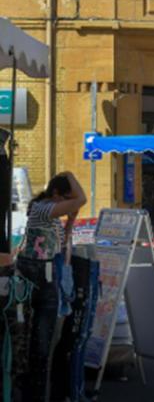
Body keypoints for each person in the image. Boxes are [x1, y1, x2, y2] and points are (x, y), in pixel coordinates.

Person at [16, 172, 86, 402]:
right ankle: (28, 392)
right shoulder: (42, 208)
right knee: (30, 341)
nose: (67, 202)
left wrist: (72, 222)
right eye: (64, 197)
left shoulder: (53, 216)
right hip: (32, 275)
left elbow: (62, 248)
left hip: (48, 275)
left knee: (43, 343)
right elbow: (82, 199)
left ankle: (37, 393)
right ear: (55, 194)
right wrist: (69, 175)